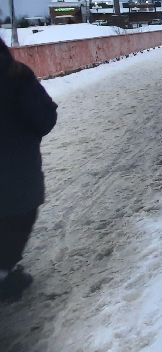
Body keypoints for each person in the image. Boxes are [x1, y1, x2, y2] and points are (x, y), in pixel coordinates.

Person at [0, 37, 58, 301]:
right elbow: (44, 117)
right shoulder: (16, 77)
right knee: (17, 217)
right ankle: (4, 273)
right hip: (14, 172)